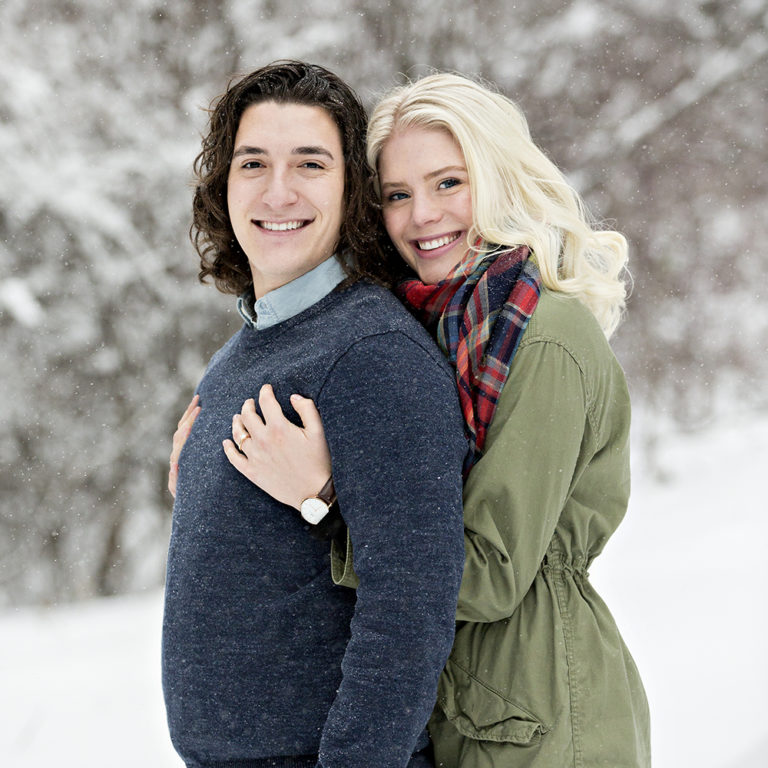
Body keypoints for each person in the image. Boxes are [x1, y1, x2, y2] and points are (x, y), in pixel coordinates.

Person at [211, 73, 652, 767]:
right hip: (470, 708)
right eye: (398, 195)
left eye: (449, 183)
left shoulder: (545, 338)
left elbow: (493, 570)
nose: (423, 216)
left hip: (543, 709)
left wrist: (326, 499)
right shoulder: (436, 327)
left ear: (499, 179)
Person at [162, 61, 468, 768]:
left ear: (351, 188)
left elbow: (410, 606)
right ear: (224, 183)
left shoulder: (372, 352)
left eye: (310, 163)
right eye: (253, 163)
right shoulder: (251, 346)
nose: (278, 191)